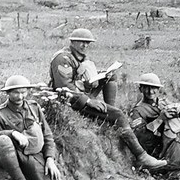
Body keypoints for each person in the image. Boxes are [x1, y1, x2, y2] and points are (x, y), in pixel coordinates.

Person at [49, 28, 167, 171]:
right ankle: (142, 156)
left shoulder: (78, 57)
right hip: (69, 99)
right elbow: (64, 87)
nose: (85, 45)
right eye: (81, 42)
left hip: (80, 93)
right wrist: (88, 101)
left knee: (111, 76)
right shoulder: (63, 59)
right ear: (72, 42)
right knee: (119, 115)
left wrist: (100, 76)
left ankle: (109, 111)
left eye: (87, 43)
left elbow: (81, 78)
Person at [128, 73, 180, 170]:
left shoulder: (165, 103)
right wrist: (160, 119)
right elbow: (142, 139)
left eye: (154, 88)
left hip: (179, 143)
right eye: (146, 87)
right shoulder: (138, 111)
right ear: (140, 89)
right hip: (159, 151)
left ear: (158, 89)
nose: (150, 91)